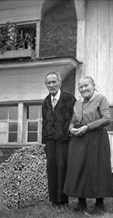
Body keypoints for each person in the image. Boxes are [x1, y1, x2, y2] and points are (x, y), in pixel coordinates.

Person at [63, 76, 113, 213]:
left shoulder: (101, 99)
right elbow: (73, 120)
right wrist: (71, 128)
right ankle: (81, 202)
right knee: (78, 168)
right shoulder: (77, 103)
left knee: (97, 168)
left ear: (93, 86)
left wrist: (87, 127)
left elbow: (106, 118)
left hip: (96, 138)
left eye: (86, 85)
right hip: (78, 138)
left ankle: (99, 204)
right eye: (80, 87)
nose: (83, 89)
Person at [42, 71, 76, 207]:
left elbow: (76, 118)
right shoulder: (45, 101)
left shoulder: (69, 99)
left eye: (54, 82)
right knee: (51, 168)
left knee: (62, 168)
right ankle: (54, 199)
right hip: (50, 140)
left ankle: (63, 200)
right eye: (48, 83)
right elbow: (44, 122)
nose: (51, 85)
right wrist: (43, 142)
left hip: (64, 140)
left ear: (60, 83)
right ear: (46, 85)